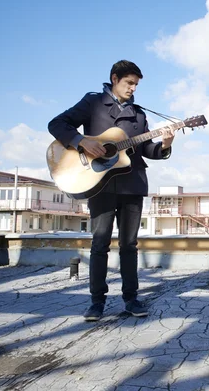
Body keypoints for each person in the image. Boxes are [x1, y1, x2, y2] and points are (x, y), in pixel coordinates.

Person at [48, 60, 175, 321]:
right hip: (98, 184)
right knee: (100, 242)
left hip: (133, 184)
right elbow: (57, 124)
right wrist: (81, 142)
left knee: (129, 244)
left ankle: (131, 299)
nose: (133, 89)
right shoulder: (93, 103)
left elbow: (146, 150)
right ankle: (97, 302)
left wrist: (165, 144)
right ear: (114, 78)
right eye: (129, 83)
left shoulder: (139, 114)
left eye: (136, 85)